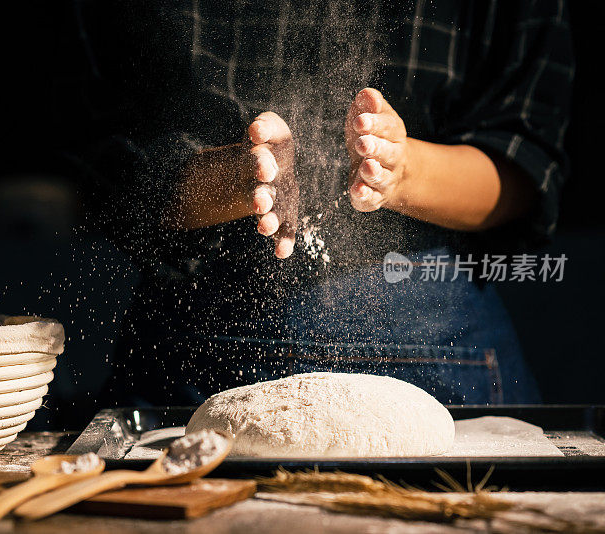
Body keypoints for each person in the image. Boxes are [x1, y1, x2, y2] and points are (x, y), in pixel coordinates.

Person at [69, 1, 573, 405]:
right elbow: (115, 175)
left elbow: (522, 171)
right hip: (202, 345)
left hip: (436, 345)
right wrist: (247, 174)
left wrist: (400, 171)